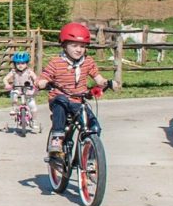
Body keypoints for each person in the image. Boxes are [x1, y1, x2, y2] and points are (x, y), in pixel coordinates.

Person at [37, 22, 116, 158]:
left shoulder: (88, 61)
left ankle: (90, 158)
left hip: (78, 100)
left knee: (94, 126)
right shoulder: (56, 62)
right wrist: (42, 83)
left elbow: (98, 78)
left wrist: (106, 82)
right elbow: (43, 77)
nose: (79, 50)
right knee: (60, 101)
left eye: (82, 46)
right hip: (60, 97)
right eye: (74, 45)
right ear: (64, 45)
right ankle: (57, 138)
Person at [2, 50, 41, 131]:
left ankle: (33, 121)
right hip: (17, 90)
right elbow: (5, 78)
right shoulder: (13, 72)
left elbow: (36, 79)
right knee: (14, 94)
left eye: (23, 63)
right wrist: (7, 84)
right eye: (18, 63)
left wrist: (36, 85)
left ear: (26, 63)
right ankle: (14, 108)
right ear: (15, 64)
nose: (20, 65)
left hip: (28, 91)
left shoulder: (29, 72)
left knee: (33, 107)